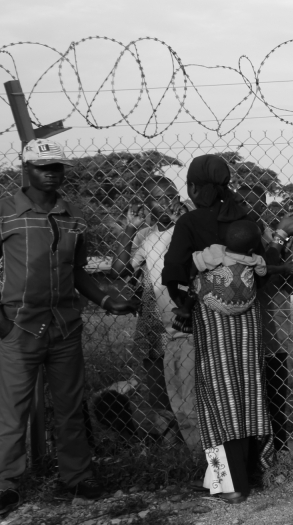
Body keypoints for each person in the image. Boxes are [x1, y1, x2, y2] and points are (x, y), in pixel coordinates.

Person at [0, 139, 140, 517]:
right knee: (12, 409)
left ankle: (75, 477)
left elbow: (77, 272)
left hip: (64, 328)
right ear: (25, 168)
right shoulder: (6, 212)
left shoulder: (73, 216)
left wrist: (108, 300)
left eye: (57, 167)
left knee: (70, 407)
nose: (51, 173)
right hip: (18, 327)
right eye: (43, 166)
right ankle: (7, 484)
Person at [163, 155, 293, 503]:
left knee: (216, 397)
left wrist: (185, 304)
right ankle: (235, 474)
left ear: (193, 187)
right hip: (249, 320)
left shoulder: (190, 223)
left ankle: (232, 483)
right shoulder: (246, 221)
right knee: (246, 393)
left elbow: (175, 272)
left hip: (211, 320)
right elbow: (266, 270)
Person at [110, 176, 200, 448]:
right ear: (147, 204)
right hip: (157, 323)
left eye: (171, 196)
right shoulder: (147, 236)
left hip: (188, 321)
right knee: (163, 389)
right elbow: (118, 269)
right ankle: (175, 447)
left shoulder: (189, 228)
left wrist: (186, 219)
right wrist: (129, 229)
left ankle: (201, 452)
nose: (167, 202)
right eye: (158, 198)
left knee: (191, 393)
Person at [239, 184, 293, 454]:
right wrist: (276, 267)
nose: (252, 209)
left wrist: (283, 266)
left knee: (277, 397)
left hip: (276, 329)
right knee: (251, 398)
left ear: (265, 206)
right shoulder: (237, 237)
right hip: (247, 332)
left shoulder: (274, 235)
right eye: (245, 203)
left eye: (258, 204)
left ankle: (280, 450)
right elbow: (254, 281)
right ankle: (257, 453)